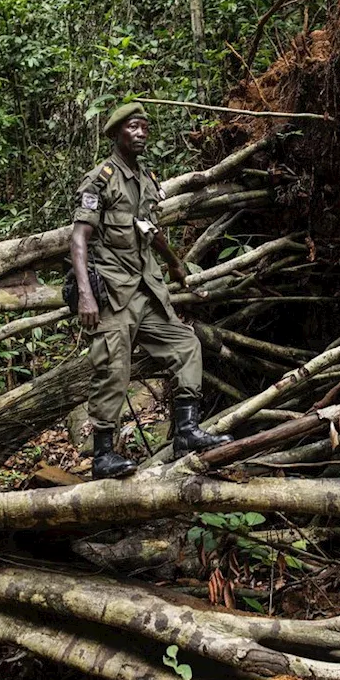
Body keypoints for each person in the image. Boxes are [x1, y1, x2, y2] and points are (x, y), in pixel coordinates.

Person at [70, 101, 233, 479]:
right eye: (133, 128)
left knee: (185, 343)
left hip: (147, 289)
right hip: (112, 291)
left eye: (145, 127)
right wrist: (86, 295)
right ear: (115, 134)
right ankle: (103, 456)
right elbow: (78, 239)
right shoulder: (101, 179)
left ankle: (187, 431)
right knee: (113, 366)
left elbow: (147, 228)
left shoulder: (146, 179)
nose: (141, 133)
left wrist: (174, 262)